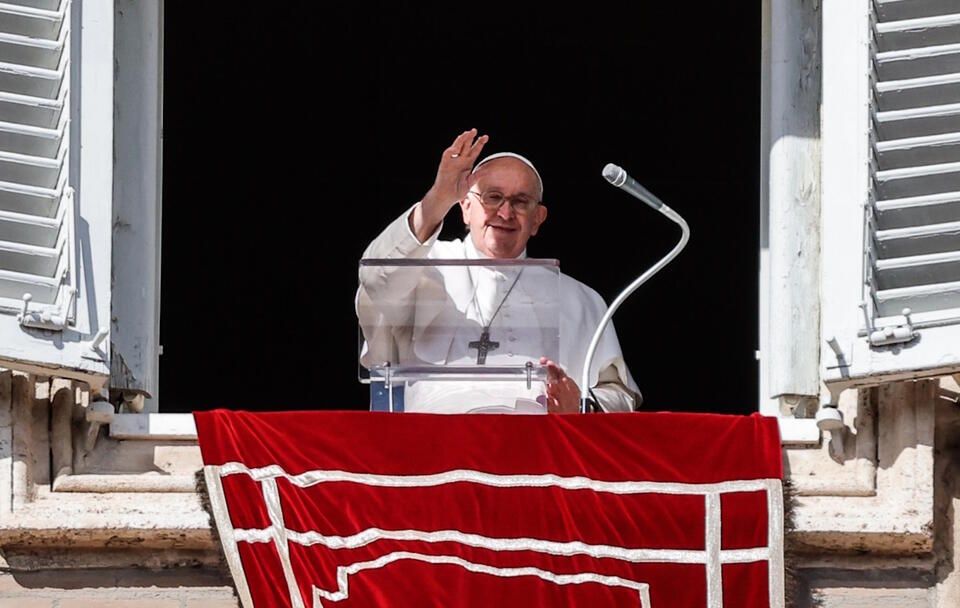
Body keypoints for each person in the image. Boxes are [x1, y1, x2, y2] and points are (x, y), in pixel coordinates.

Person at [357, 129, 640, 413]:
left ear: (537, 219)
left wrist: (581, 406)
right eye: (493, 197)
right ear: (466, 206)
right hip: (438, 444)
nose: (505, 213)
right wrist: (437, 200)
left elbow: (619, 396)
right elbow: (375, 277)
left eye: (520, 201)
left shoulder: (580, 299)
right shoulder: (425, 266)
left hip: (536, 448)